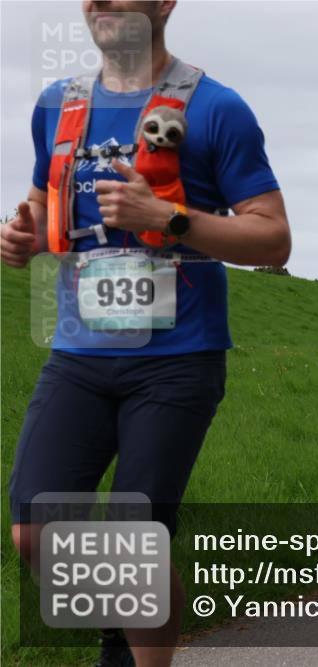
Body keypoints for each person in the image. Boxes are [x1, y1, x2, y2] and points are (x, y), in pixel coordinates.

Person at [1, 3, 290, 665]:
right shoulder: (57, 104)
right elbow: (46, 199)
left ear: (165, 3)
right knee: (33, 530)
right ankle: (125, 615)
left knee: (136, 539)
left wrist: (170, 216)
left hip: (177, 359)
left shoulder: (217, 107)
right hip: (78, 354)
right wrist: (22, 233)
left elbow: (273, 239)